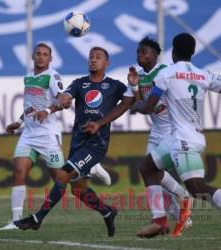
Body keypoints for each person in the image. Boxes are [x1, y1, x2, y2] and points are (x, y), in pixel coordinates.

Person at [14, 46, 134, 237]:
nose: (93, 60)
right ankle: (107, 211)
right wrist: (62, 101)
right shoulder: (80, 83)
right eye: (91, 57)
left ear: (107, 63)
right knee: (78, 190)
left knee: (62, 176)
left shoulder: (114, 86)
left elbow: (129, 103)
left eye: (98, 57)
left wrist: (133, 87)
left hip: (96, 145)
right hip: (78, 142)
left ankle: (37, 219)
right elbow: (65, 96)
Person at [82, 37, 193, 237]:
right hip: (157, 131)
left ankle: (182, 199)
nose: (140, 55)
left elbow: (143, 105)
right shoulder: (138, 76)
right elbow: (132, 104)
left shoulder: (167, 72)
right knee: (152, 177)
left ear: (156, 55)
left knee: (152, 171)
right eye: (138, 52)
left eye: (145, 52)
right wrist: (133, 87)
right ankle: (181, 215)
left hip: (174, 130)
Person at [0, 43, 110, 230]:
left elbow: (62, 99)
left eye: (45, 54)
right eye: (38, 54)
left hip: (48, 135)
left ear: (50, 59)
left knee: (65, 180)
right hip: (29, 134)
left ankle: (89, 170)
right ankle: (15, 221)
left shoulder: (52, 77)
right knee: (18, 170)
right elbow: (30, 106)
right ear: (33, 57)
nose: (41, 57)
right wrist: (19, 122)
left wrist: (48, 110)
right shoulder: (28, 77)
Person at [130, 33, 221, 238]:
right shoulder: (203, 74)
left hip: (184, 141)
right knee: (147, 167)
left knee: (198, 187)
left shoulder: (167, 74)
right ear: (192, 52)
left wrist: (136, 106)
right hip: (184, 137)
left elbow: (149, 106)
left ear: (173, 51)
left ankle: (164, 217)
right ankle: (159, 221)